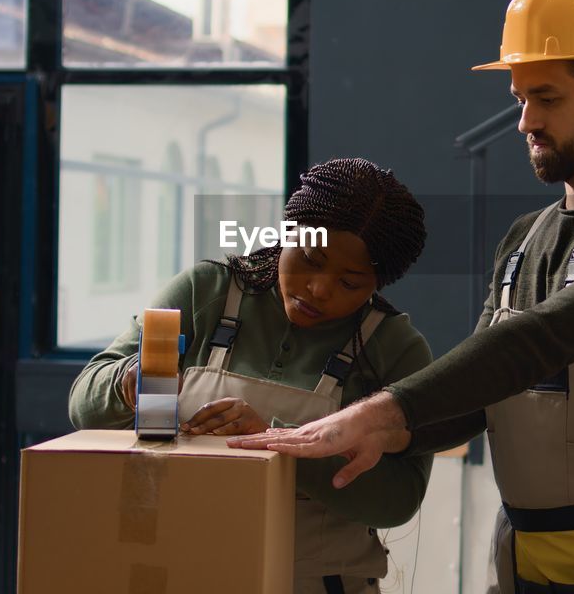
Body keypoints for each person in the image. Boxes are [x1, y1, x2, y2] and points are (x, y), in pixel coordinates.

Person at [231, 0, 574, 593]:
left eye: (545, 98)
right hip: (522, 554)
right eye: (519, 98)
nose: (524, 121)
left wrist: (377, 411)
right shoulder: (522, 239)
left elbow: (540, 341)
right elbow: (492, 390)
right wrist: (390, 434)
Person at [68, 157, 433, 594]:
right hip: (179, 573)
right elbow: (83, 406)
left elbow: (400, 500)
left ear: (378, 283)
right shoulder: (206, 293)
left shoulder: (393, 349)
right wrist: (130, 383)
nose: (319, 288)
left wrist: (280, 443)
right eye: (310, 259)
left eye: (349, 283)